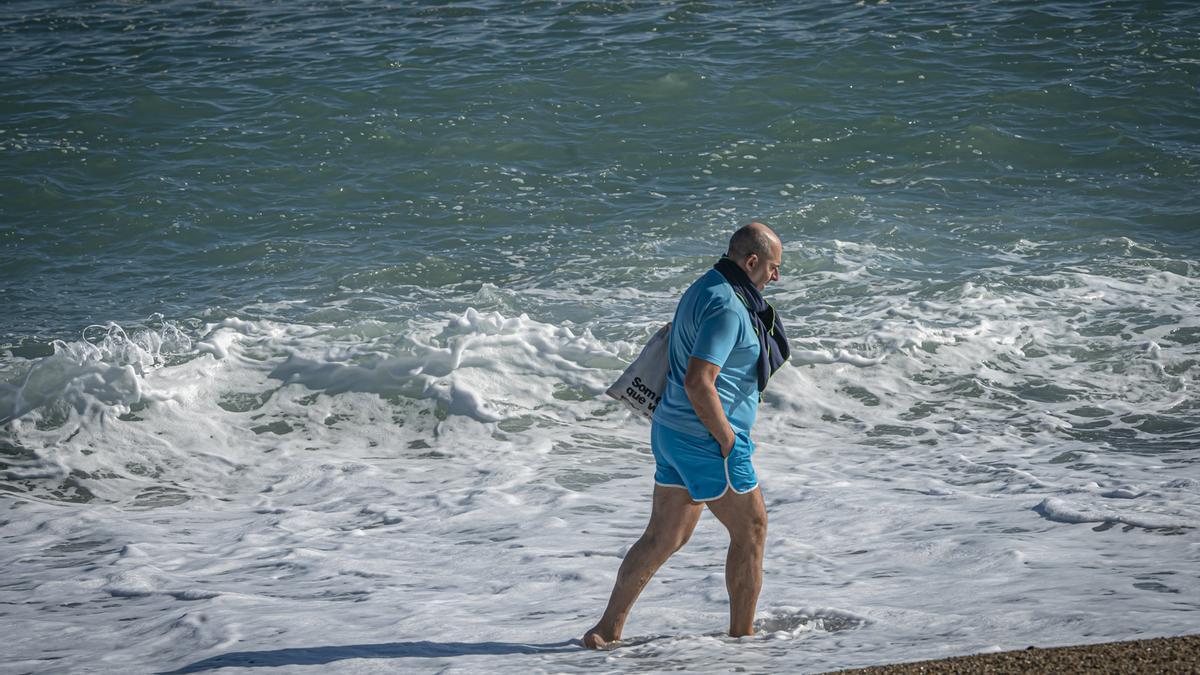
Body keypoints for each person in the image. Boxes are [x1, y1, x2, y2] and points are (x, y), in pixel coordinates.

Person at [583, 222, 789, 649]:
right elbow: (700, 381)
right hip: (706, 440)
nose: (776, 277)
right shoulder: (729, 307)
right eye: (773, 267)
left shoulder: (705, 285)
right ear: (752, 262)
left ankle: (605, 631)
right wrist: (728, 440)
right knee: (751, 530)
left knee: (664, 536)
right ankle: (743, 643)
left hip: (671, 432)